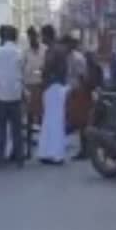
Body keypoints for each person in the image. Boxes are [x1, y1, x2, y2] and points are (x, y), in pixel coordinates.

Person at [0, 25, 24, 168]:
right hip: (16, 94)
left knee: (1, 128)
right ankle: (19, 159)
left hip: (2, 95)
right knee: (17, 129)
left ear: (4, 37)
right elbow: (23, 70)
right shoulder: (19, 52)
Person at [37, 24, 69, 165]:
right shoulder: (58, 49)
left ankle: (56, 155)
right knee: (51, 122)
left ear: (46, 35)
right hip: (56, 86)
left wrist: (42, 70)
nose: (41, 38)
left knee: (53, 122)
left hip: (53, 86)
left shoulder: (53, 50)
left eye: (42, 35)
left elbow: (48, 67)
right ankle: (49, 153)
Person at [64, 36, 90, 160]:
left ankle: (85, 150)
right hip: (70, 91)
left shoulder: (78, 58)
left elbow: (82, 77)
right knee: (77, 121)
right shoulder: (67, 57)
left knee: (81, 122)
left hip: (78, 92)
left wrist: (81, 91)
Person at [22, 27, 46, 128]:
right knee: (30, 112)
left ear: (37, 37)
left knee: (41, 112)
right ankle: (29, 136)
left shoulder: (44, 49)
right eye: (30, 37)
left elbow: (45, 66)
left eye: (33, 36)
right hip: (29, 84)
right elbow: (22, 67)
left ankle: (42, 136)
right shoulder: (26, 51)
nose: (32, 39)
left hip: (41, 84)